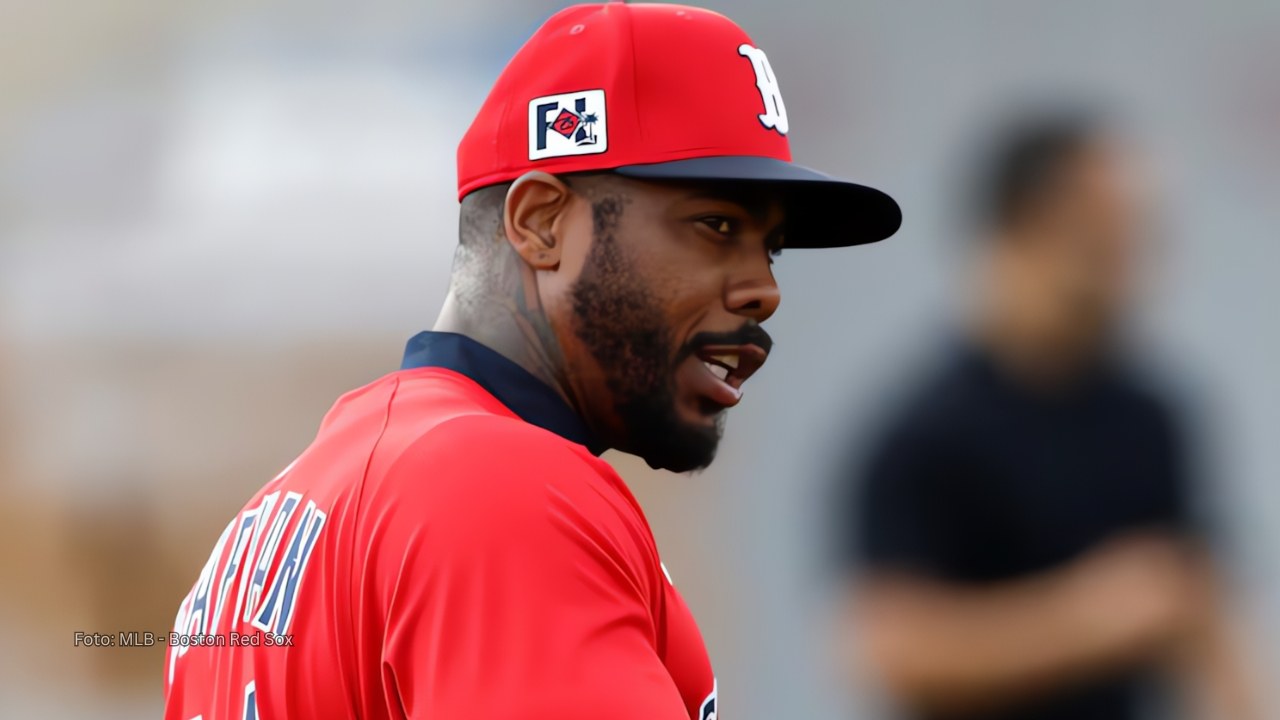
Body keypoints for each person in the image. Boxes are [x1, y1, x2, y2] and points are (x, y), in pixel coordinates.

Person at [162, 3, 902, 719]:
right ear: (541, 223)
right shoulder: (500, 485)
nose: (763, 291)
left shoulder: (285, 509)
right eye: (716, 225)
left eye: (769, 247)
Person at [833, 113, 1262, 720]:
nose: (1126, 266)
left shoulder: (1152, 418)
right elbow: (891, 650)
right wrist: (1092, 617)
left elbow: (1202, 617)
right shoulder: (926, 433)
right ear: (1019, 228)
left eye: (1137, 239)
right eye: (1101, 238)